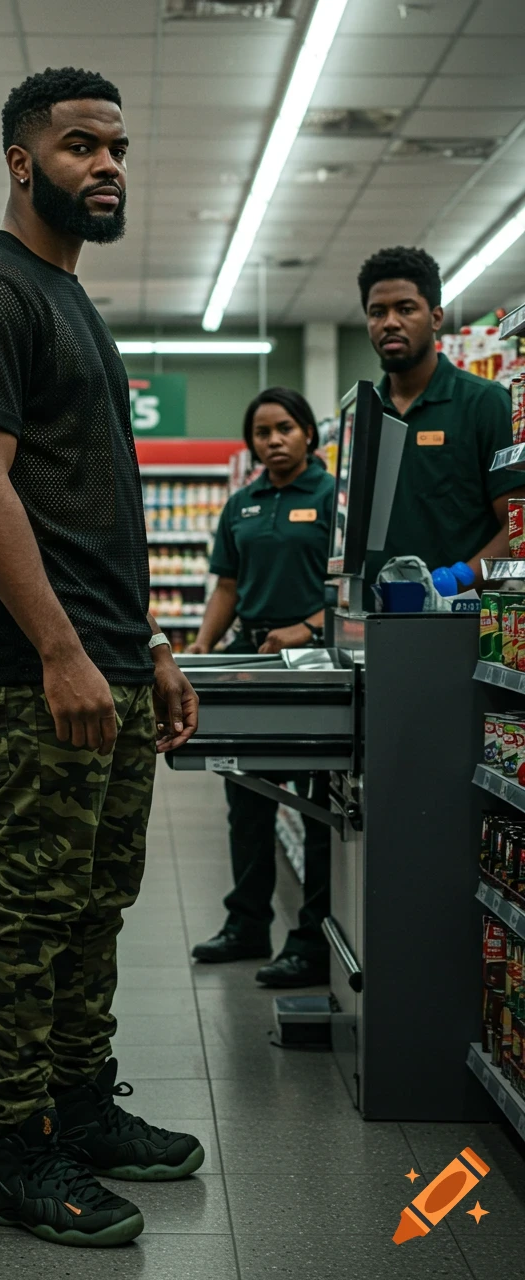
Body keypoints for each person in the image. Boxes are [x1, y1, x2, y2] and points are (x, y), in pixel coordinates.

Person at [0, 67, 201, 1249]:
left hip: (106, 657)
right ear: (21, 161)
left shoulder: (69, 297)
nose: (107, 165)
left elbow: (92, 503)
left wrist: (147, 645)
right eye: (81, 145)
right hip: (42, 665)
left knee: (97, 897)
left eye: (117, 147)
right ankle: (14, 1146)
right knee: (37, 904)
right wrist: (60, 649)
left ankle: (80, 1102)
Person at [188, 389, 333, 988]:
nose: (273, 440)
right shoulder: (242, 504)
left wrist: (307, 627)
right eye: (262, 432)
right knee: (246, 796)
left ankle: (313, 940)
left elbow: (352, 584)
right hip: (251, 660)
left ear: (308, 433)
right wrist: (203, 645)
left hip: (315, 665)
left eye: (285, 428)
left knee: (320, 805)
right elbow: (227, 585)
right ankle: (247, 924)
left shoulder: (332, 497)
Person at [358, 245, 525, 598]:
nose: (390, 322)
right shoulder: (365, 414)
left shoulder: (485, 404)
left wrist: (459, 579)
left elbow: (519, 525)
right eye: (377, 312)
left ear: (435, 318)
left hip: (462, 615)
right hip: (378, 615)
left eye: (405, 309)